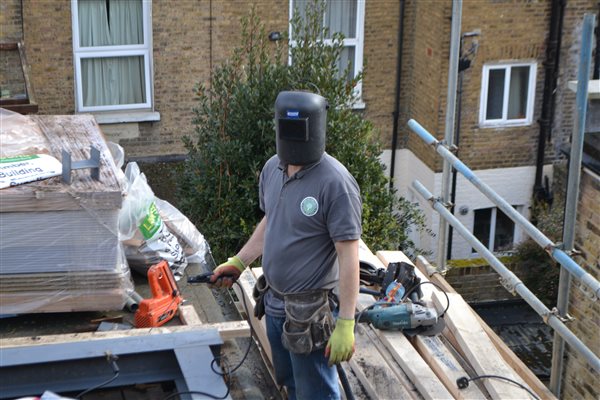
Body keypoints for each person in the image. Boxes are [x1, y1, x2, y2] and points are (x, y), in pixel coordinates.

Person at [210, 90, 361, 399]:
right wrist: (240, 261)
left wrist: (346, 322)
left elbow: (349, 255)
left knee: (316, 392)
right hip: (275, 303)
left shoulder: (335, 183)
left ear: (315, 128)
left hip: (311, 311)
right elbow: (272, 220)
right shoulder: (272, 169)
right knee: (292, 386)